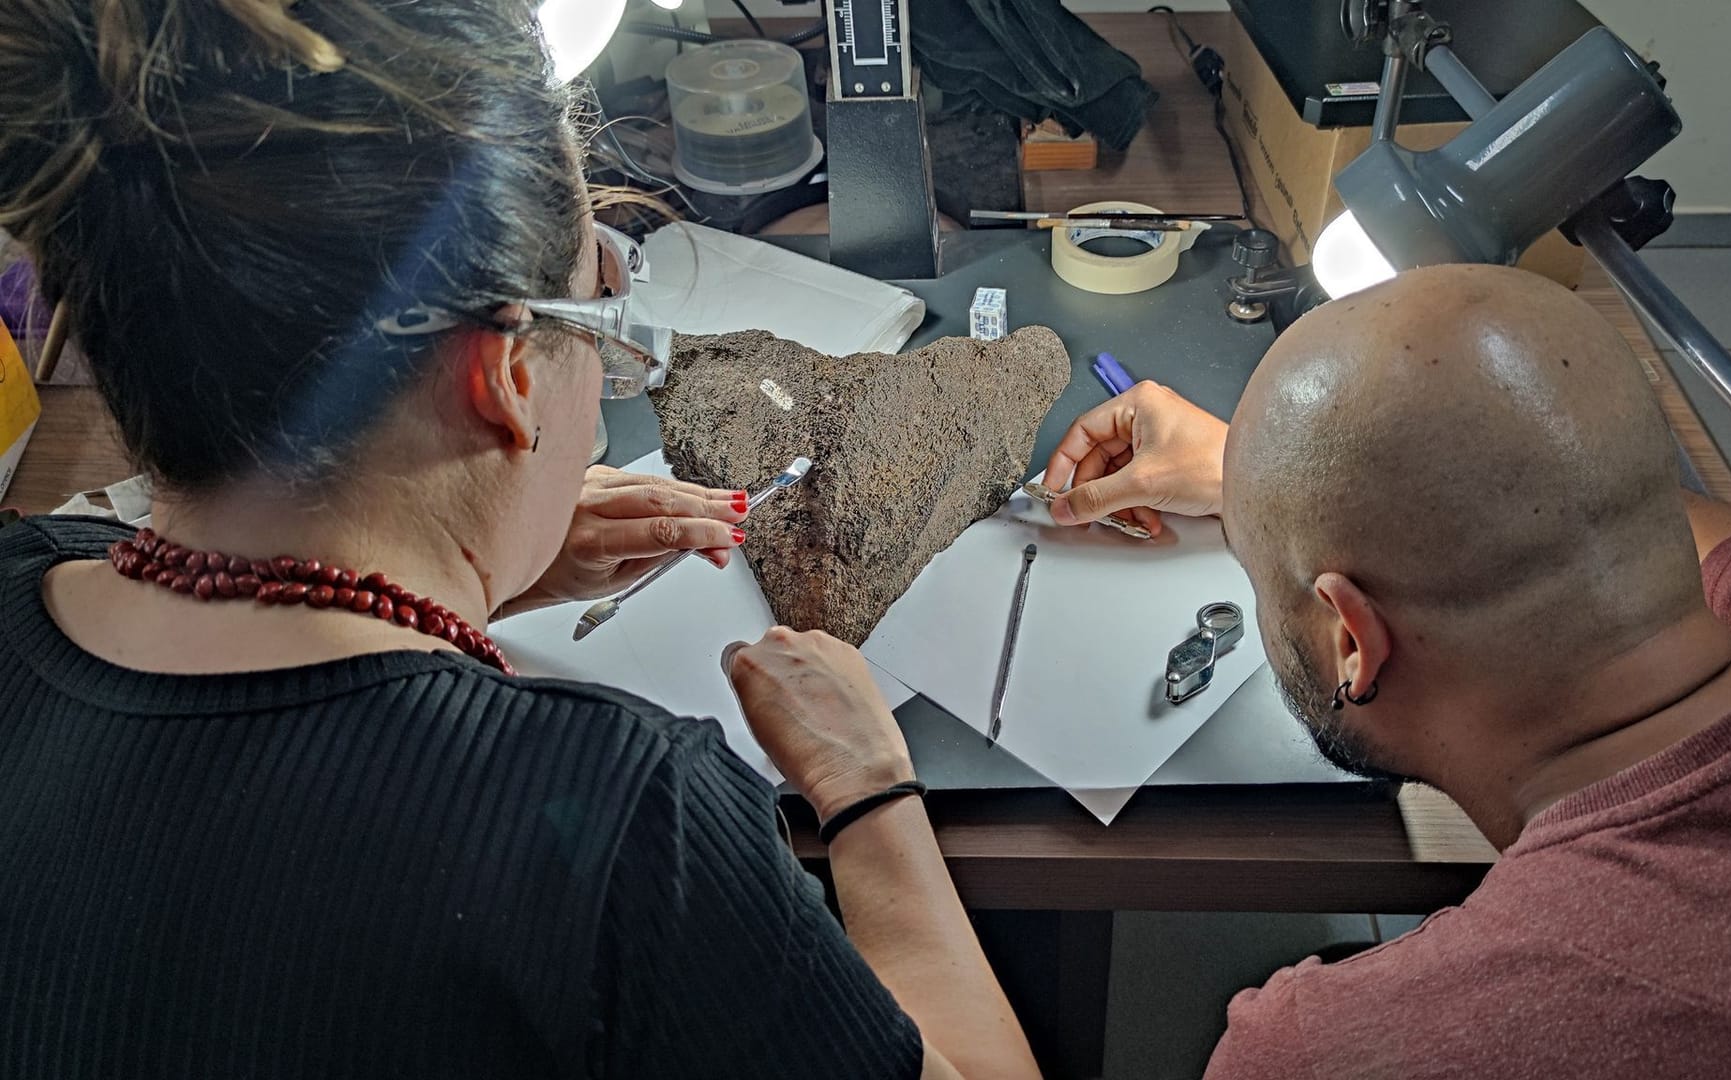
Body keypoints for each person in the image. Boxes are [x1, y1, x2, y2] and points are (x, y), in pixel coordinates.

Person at [0, 2, 1039, 1077]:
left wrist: (484, 583)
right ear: (505, 378)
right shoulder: (624, 826)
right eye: (605, 291)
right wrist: (869, 791)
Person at [1041, 264, 1731, 1076]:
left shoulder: (1346, 1050)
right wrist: (1267, 474)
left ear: (1354, 643)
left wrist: (892, 805)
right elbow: (1609, 500)